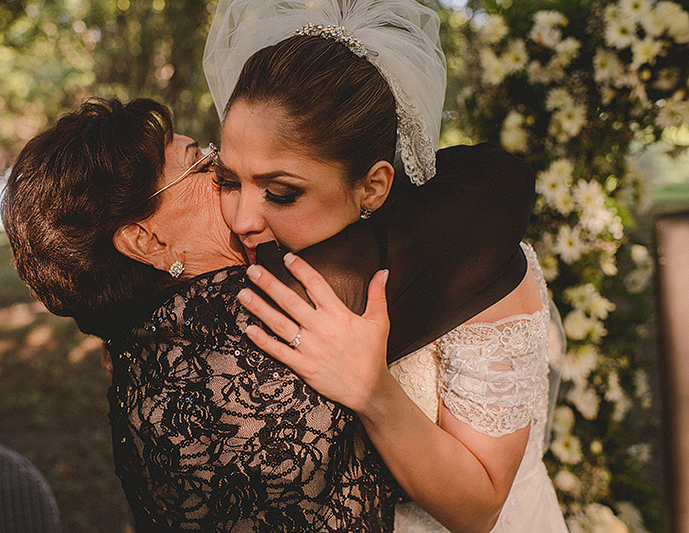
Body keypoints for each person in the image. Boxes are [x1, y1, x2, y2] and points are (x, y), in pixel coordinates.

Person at [1, 93, 535, 531]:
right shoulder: (274, 300)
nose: (224, 174)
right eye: (202, 164)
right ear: (145, 240)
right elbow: (493, 188)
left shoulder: (137, 359)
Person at [203, 1, 568, 532]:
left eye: (280, 192)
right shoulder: (282, 254)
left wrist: (372, 390)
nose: (241, 219)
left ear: (372, 186)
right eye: (229, 181)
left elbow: (481, 506)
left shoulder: (471, 263)